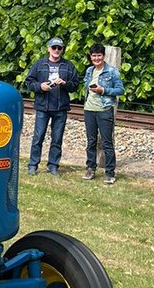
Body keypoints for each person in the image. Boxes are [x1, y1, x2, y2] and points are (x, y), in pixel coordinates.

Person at [24, 37, 80, 175]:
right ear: (48, 48)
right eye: (54, 47)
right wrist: (40, 86)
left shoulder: (68, 66)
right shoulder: (39, 65)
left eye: (59, 48)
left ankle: (53, 165)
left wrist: (65, 84)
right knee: (38, 137)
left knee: (57, 139)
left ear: (62, 50)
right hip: (43, 107)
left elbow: (75, 85)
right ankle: (33, 165)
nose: (56, 50)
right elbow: (28, 82)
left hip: (60, 108)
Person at [82, 43, 125, 184]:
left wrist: (104, 90)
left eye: (99, 55)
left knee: (107, 143)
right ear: (91, 57)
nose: (96, 58)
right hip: (89, 110)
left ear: (103, 56)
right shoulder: (89, 70)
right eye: (94, 56)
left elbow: (120, 90)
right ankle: (90, 168)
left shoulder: (112, 71)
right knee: (91, 141)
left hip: (105, 110)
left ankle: (110, 172)